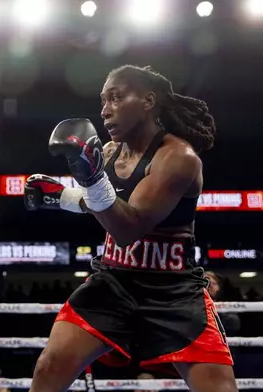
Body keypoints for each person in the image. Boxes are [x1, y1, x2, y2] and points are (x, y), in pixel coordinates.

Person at [24, 65, 237, 392]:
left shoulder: (178, 158)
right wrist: (64, 197)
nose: (105, 110)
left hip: (173, 292)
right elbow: (107, 205)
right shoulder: (108, 152)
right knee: (49, 367)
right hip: (114, 281)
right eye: (102, 101)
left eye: (116, 98)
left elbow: (128, 228)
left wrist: (93, 179)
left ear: (148, 101)